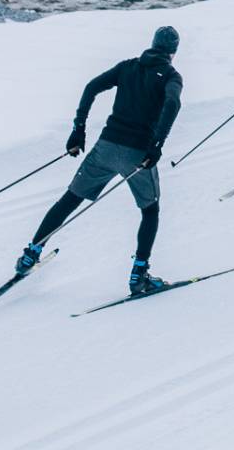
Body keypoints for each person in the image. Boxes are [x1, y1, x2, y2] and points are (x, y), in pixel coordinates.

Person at [13, 26, 183, 295]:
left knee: (70, 199)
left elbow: (91, 87)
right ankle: (139, 275)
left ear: (152, 44)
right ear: (173, 52)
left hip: (105, 148)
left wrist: (78, 129)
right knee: (150, 210)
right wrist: (157, 145)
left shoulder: (128, 67)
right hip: (137, 154)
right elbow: (172, 104)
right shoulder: (171, 76)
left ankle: (30, 254)